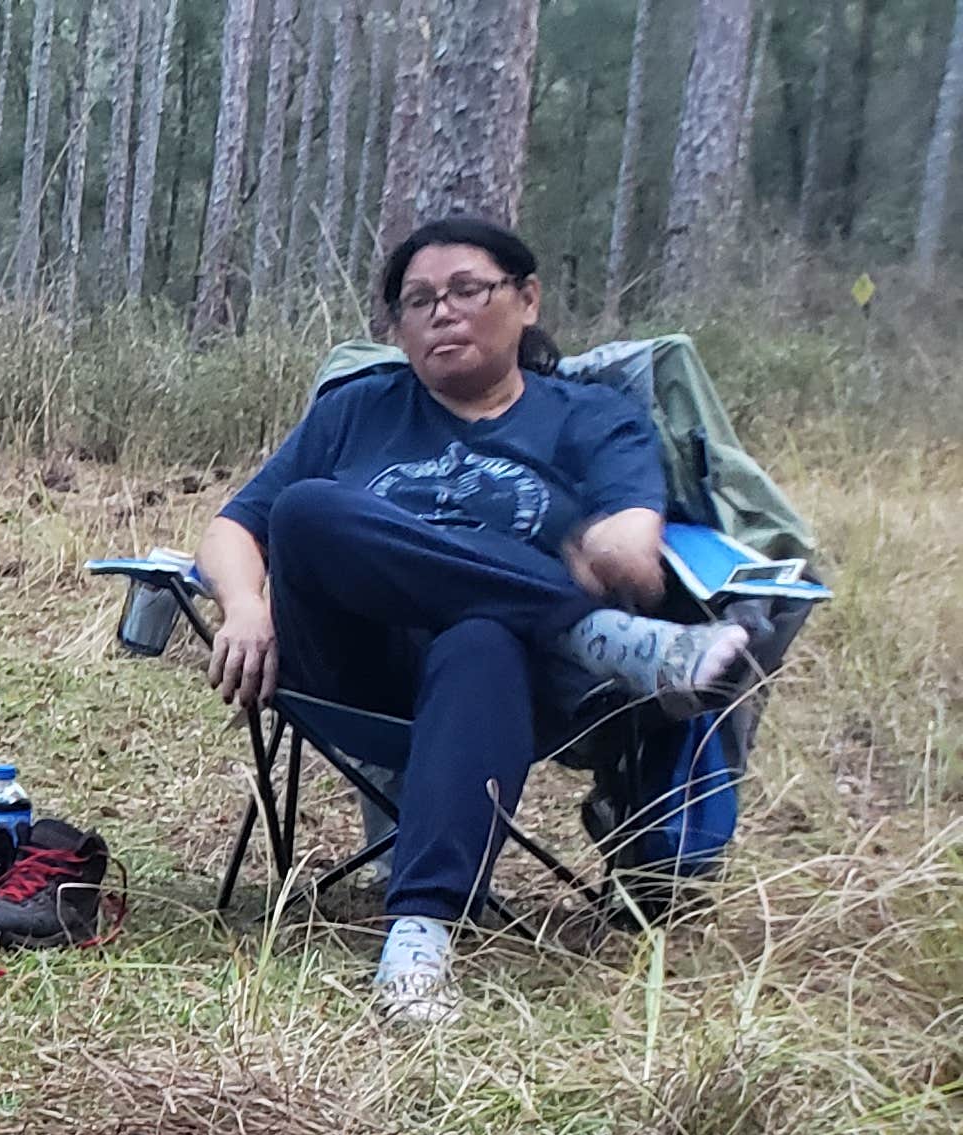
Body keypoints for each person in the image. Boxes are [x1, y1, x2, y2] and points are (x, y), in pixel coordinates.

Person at [194, 216, 745, 1026]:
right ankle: (594, 635)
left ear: (526, 300)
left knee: (482, 637)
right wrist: (243, 604)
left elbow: (631, 537)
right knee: (309, 512)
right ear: (396, 327)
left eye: (466, 291)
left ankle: (417, 944)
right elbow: (235, 527)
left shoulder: (590, 418)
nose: (441, 313)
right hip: (355, 668)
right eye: (417, 301)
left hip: (507, 690)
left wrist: (612, 552)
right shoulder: (357, 411)